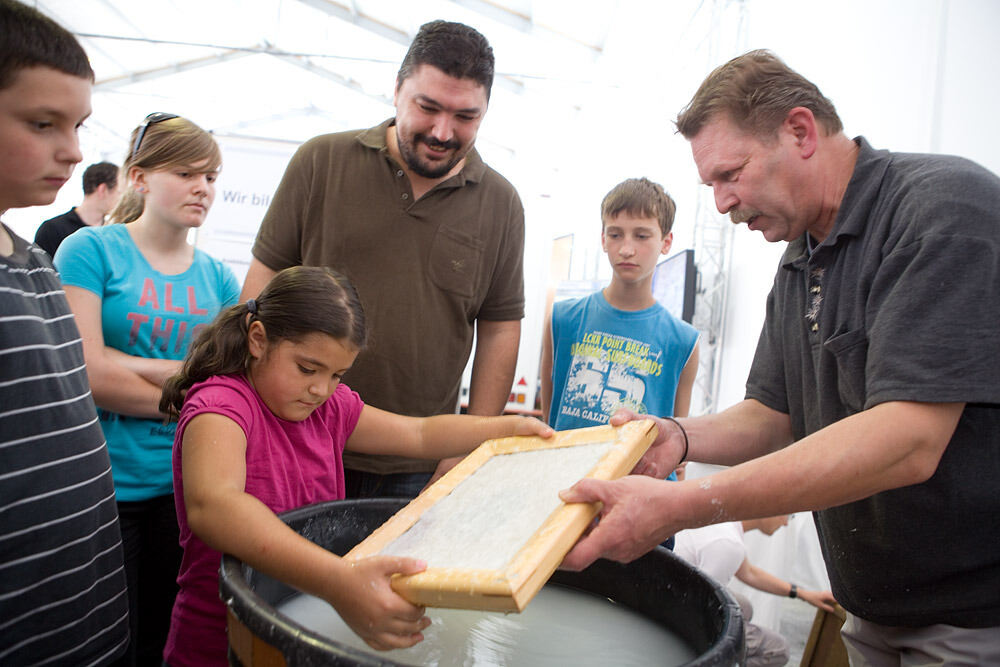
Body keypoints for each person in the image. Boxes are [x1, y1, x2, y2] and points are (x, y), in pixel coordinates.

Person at [559, 49, 1000, 665]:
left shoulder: (942, 212)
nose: (722, 203)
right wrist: (677, 436)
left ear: (799, 131)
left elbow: (909, 438)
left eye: (731, 174)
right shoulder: (800, 260)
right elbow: (773, 414)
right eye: (712, 185)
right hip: (872, 609)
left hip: (970, 617)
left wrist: (683, 505)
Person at [159, 266, 552, 666]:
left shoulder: (329, 408)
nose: (320, 388)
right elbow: (216, 507)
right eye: (307, 368)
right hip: (217, 642)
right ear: (258, 339)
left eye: (337, 374)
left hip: (302, 636)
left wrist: (503, 429)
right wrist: (337, 581)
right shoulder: (222, 407)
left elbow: (418, 434)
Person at [240, 20, 525, 500]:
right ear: (396, 89)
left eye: (465, 116)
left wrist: (467, 449)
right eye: (427, 107)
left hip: (417, 463)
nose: (442, 131)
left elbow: (499, 328)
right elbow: (261, 287)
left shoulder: (501, 203)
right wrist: (247, 406)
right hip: (296, 438)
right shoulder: (321, 161)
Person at [54, 113, 240, 665]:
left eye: (211, 177)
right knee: (104, 638)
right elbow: (86, 373)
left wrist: (121, 363)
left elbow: (227, 383)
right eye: (186, 173)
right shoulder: (90, 250)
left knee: (164, 636)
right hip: (100, 482)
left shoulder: (218, 277)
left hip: (182, 488)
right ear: (138, 177)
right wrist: (187, 381)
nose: (202, 188)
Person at [0, 0, 129, 664]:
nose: (74, 151)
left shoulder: (35, 261)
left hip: (81, 613)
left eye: (77, 125)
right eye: (42, 123)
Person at [540, 177, 699, 430]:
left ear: (666, 242)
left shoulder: (683, 341)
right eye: (615, 234)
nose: (626, 249)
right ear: (604, 239)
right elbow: (550, 420)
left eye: (641, 236)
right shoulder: (563, 318)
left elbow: (677, 438)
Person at [674, 513, 838, 667]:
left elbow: (749, 573)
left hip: (674, 591)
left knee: (744, 606)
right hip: (681, 613)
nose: (786, 523)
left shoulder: (725, 525)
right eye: (789, 515)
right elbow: (704, 607)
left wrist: (803, 594)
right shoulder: (729, 544)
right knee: (778, 649)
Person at [34, 160, 119, 256]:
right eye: (119, 192)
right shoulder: (51, 230)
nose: (122, 199)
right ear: (103, 190)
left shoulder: (111, 232)